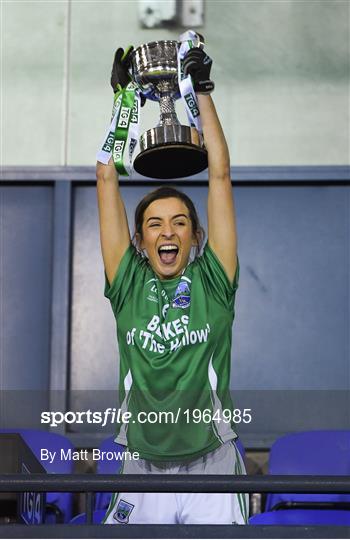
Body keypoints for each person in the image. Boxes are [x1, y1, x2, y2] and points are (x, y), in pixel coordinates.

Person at [96, 44, 248, 525]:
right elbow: (106, 178)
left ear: (195, 236)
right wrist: (123, 101)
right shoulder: (126, 283)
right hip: (141, 465)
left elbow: (219, 177)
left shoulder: (214, 281)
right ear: (139, 240)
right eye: (156, 225)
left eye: (180, 223)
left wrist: (201, 91)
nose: (168, 232)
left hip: (213, 463)